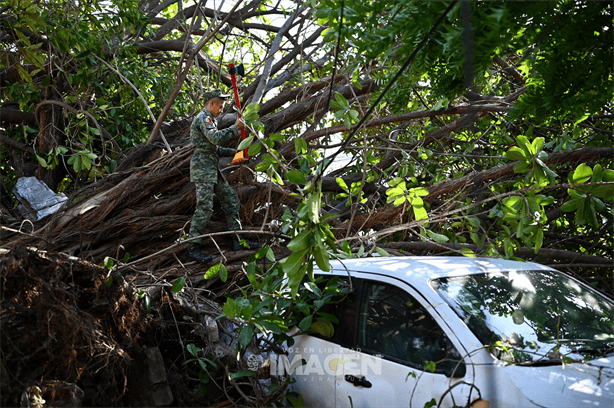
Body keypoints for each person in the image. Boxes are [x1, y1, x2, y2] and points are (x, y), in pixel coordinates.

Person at [187, 89, 259, 263]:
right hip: (203, 168)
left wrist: (238, 154)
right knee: (204, 207)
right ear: (211, 104)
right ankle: (192, 247)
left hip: (211, 168)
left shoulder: (210, 119)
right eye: (220, 106)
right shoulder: (203, 118)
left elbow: (216, 149)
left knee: (231, 200)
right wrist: (235, 128)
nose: (221, 110)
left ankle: (237, 240)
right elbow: (215, 139)